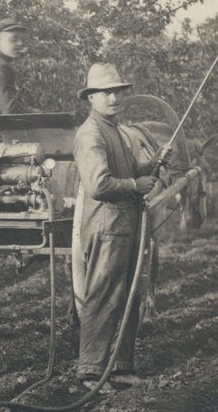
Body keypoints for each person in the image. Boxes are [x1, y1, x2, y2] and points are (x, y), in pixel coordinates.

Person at [72, 63, 170, 388]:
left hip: (124, 224)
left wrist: (153, 165)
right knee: (104, 296)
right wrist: (134, 186)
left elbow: (131, 171)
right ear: (91, 98)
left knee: (129, 294)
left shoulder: (114, 129)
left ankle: (122, 367)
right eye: (105, 93)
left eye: (116, 91)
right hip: (106, 225)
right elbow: (99, 184)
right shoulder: (91, 134)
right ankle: (90, 371)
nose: (113, 98)